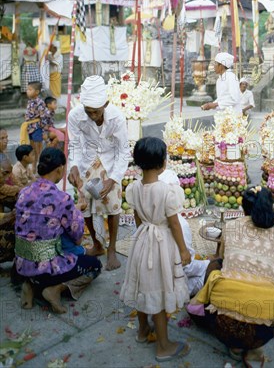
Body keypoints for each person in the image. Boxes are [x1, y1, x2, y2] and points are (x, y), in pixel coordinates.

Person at [187, 186, 274, 368]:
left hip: (223, 327)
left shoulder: (231, 227)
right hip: (263, 332)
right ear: (271, 208)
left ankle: (235, 347)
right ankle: (254, 347)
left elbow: (222, 257)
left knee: (215, 266)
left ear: (243, 209)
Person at [120, 137, 191, 363]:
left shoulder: (134, 188)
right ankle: (163, 346)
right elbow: (174, 223)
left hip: (143, 242)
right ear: (163, 163)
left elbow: (137, 219)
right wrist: (183, 250)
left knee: (143, 285)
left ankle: (143, 330)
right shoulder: (167, 191)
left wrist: (144, 238)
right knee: (159, 292)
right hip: (161, 244)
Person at [14, 148, 101, 313]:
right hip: (46, 268)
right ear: (60, 169)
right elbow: (77, 237)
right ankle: (55, 289)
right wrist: (77, 213)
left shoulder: (24, 192)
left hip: (21, 264)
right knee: (95, 266)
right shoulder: (62, 198)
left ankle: (29, 284)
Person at [67, 75, 129, 271]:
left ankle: (112, 248)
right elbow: (74, 145)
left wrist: (113, 179)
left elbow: (123, 150)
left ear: (106, 104)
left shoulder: (117, 117)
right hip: (87, 162)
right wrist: (74, 167)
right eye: (88, 111)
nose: (92, 115)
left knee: (113, 205)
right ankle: (97, 244)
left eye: (96, 111)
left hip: (111, 163)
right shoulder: (75, 115)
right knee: (84, 204)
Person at [160, 168, 210, 296]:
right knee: (212, 271)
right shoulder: (180, 224)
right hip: (172, 280)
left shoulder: (148, 219)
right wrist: (207, 264)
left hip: (155, 277)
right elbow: (186, 267)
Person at [22, 81, 48, 169]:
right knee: (32, 150)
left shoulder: (40, 102)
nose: (27, 91)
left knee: (38, 150)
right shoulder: (30, 101)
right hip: (30, 128)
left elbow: (43, 117)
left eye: (30, 89)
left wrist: (44, 132)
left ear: (37, 91)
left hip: (37, 128)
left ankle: (39, 168)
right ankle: (33, 168)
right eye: (27, 89)